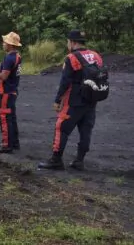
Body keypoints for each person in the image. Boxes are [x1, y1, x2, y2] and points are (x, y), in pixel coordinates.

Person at [38, 30, 104, 171]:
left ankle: (56, 160)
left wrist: (57, 100)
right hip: (91, 99)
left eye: (68, 41)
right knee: (86, 130)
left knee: (61, 128)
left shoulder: (71, 58)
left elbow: (65, 81)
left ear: (72, 42)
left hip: (74, 100)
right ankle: (79, 161)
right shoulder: (96, 56)